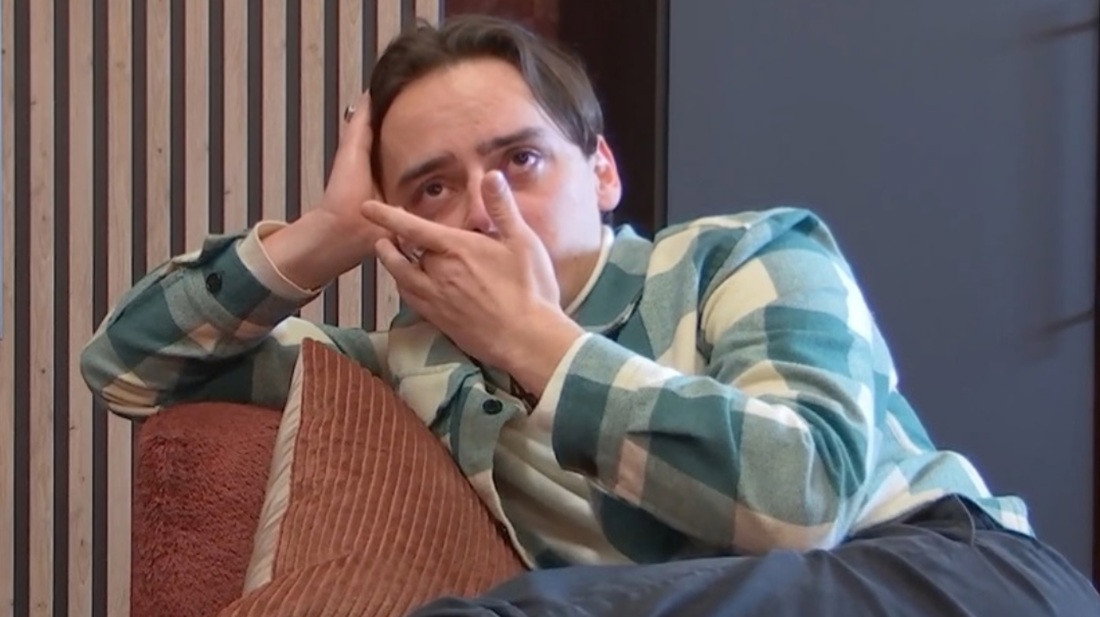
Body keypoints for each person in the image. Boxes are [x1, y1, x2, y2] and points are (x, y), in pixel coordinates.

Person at [82, 14, 1098, 616]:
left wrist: (534, 341)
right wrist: (324, 233)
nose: (484, 206)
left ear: (601, 171)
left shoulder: (743, 255)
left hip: (948, 572)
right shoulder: (411, 362)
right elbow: (128, 368)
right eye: (431, 186)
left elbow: (802, 503)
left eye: (520, 160)